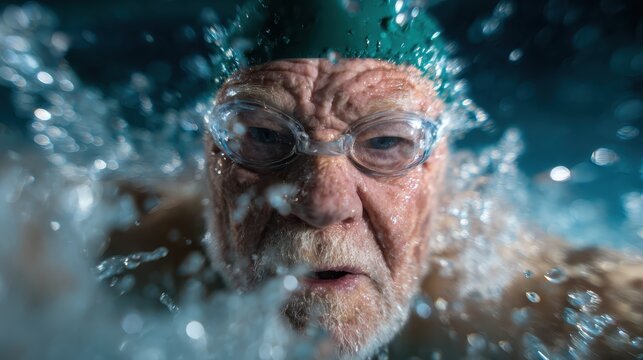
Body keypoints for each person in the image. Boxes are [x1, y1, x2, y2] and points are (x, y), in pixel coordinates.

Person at [105, 1, 643, 358]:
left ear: (442, 170)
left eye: (386, 143)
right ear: (211, 158)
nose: (321, 202)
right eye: (265, 137)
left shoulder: (542, 309)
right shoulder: (119, 245)